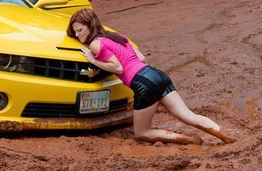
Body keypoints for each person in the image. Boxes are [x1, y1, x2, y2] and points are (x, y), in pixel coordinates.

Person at [67, 8, 236, 145]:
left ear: (91, 26)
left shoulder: (96, 44)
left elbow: (117, 67)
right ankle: (228, 138)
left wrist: (92, 60)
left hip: (142, 83)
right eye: (75, 33)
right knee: (188, 115)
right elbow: (140, 57)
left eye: (80, 30)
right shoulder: (116, 37)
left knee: (141, 133)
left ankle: (187, 139)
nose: (78, 35)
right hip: (156, 74)